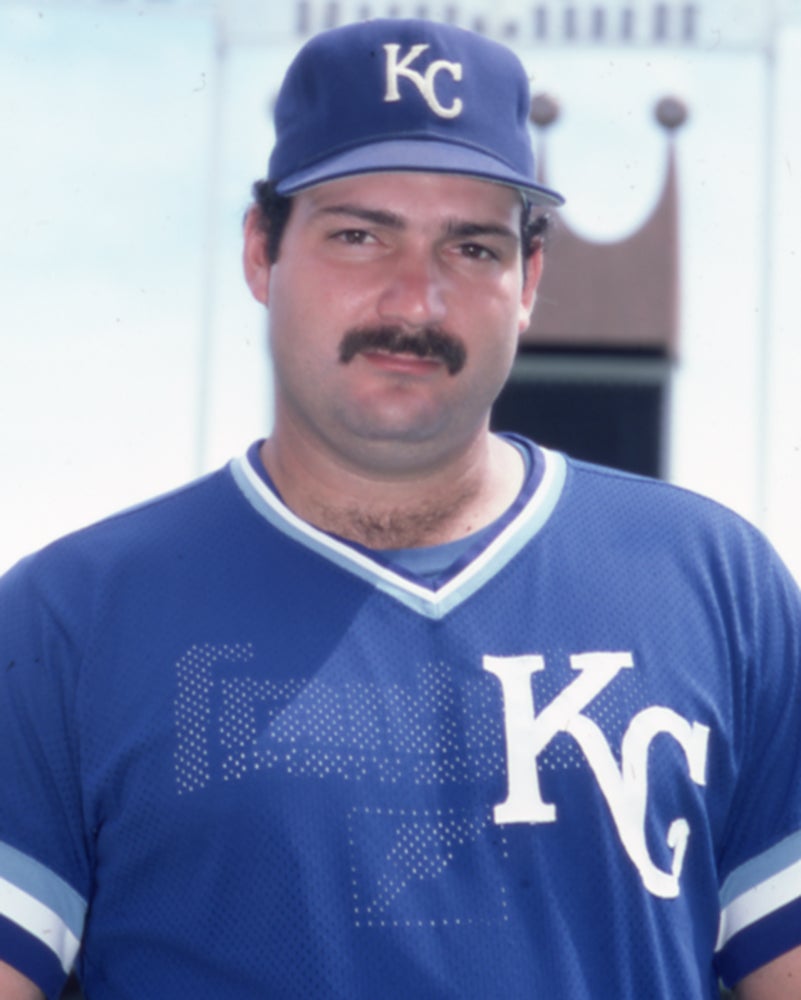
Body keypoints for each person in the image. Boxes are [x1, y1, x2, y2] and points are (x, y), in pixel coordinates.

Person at [1, 17, 800, 1000]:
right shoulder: (69, 619)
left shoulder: (715, 585)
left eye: (471, 246)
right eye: (357, 234)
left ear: (529, 280)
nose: (415, 299)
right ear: (262, 252)